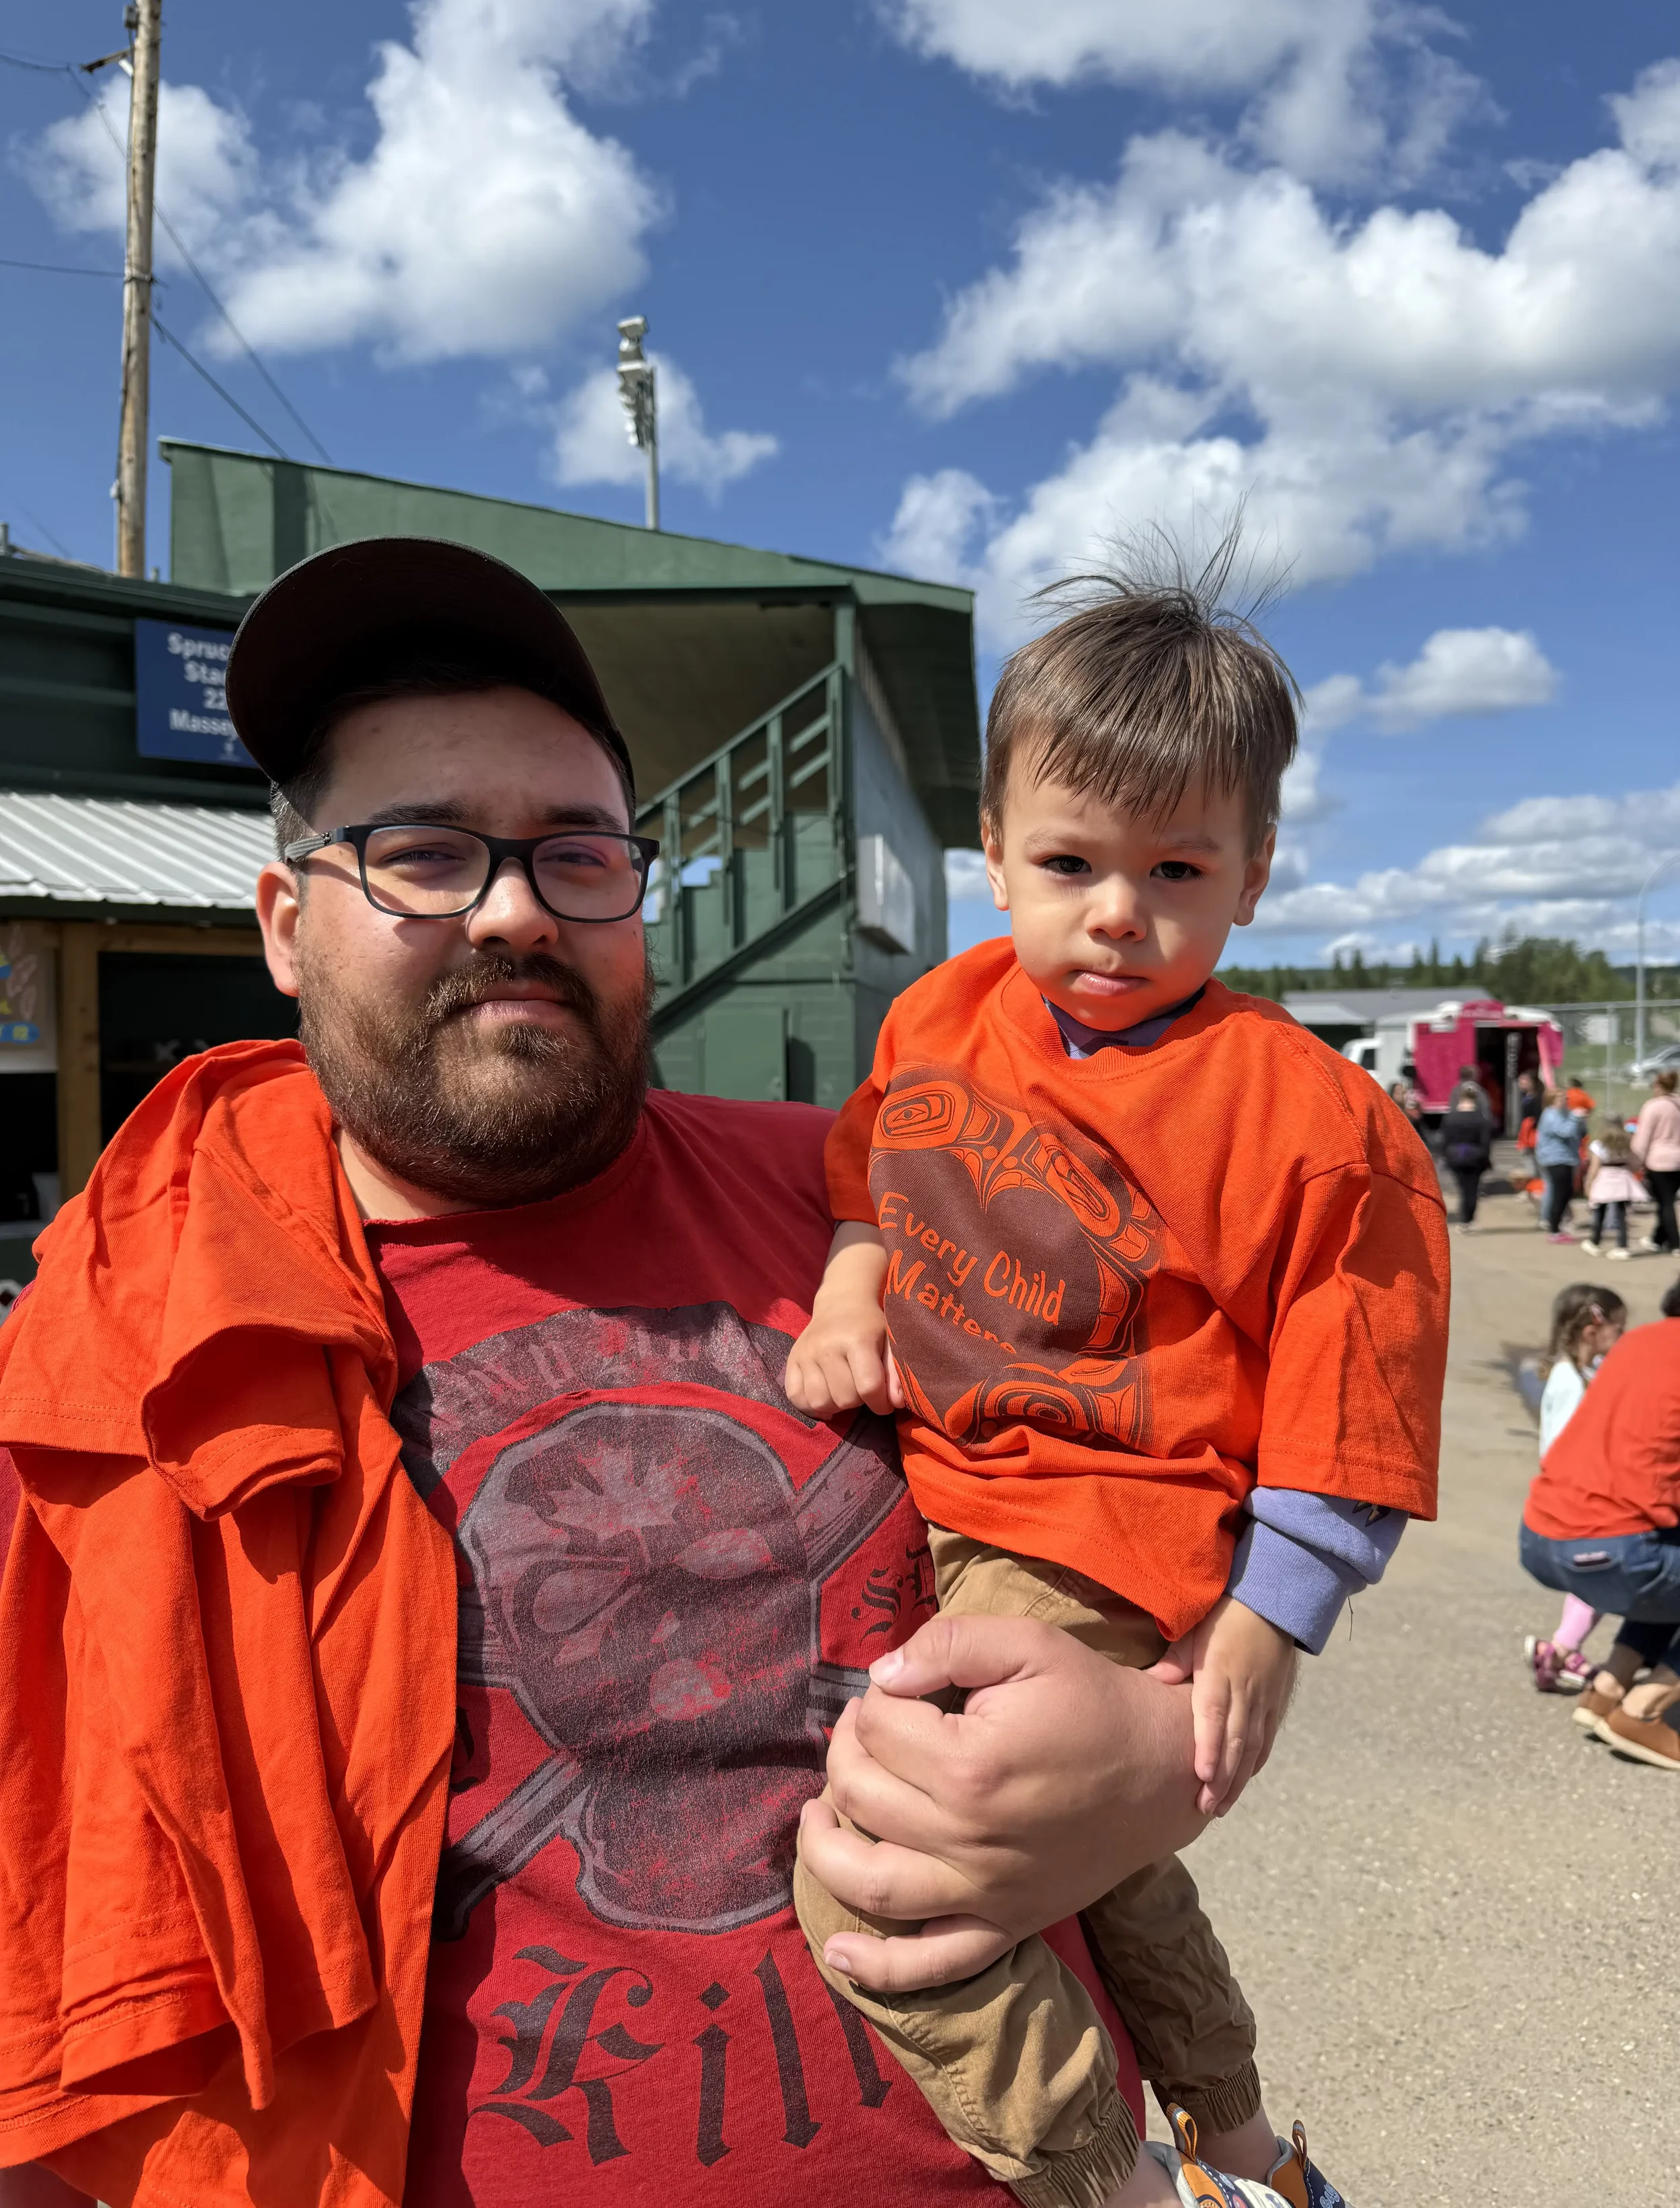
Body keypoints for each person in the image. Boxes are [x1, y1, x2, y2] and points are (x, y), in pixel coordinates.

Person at [0, 540, 1214, 2208]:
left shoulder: (872, 1195)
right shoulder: (136, 1340)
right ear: (286, 924)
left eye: (575, 854)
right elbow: (56, 1900)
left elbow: (1203, 1461)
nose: (512, 908)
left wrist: (1162, 1754)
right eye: (423, 851)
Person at [785, 563, 1449, 2208]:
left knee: (886, 1873)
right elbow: (868, 1170)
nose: (1116, 913)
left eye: (1176, 870)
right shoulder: (940, 1013)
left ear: (1253, 872)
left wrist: (1269, 1620)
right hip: (943, 1502)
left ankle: (1107, 2181)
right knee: (1106, 1863)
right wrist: (854, 1279)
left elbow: (1354, 1379)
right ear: (993, 849)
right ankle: (1244, 2147)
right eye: (1070, 862)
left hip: (1105, 1527)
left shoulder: (1303, 1113)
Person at [1522, 1275, 1680, 1768]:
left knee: (1669, 1554)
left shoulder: (1638, 1343)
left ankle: (1607, 1688)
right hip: (1612, 1550)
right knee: (1658, 1555)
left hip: (1541, 1533)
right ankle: (1643, 1710)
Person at [1522, 1283, 1626, 1691]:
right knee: (1600, 1576)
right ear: (1592, 1331)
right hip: (1581, 1496)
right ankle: (1559, 1651)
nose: (1622, 1337)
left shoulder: (1584, 1373)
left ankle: (1562, 1651)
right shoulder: (1569, 1380)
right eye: (1619, 1328)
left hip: (1584, 1494)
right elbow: (1565, 1445)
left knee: (1595, 1577)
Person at [1631, 1068, 1680, 1255]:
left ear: (1659, 1086)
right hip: (1678, 1160)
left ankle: (1675, 1243)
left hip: (1659, 1161)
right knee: (1666, 1201)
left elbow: (1643, 1138)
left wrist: (1635, 1161)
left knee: (1666, 1203)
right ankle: (1658, 1239)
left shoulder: (1653, 1107)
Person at [1579, 1115, 1642, 1259]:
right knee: (1621, 1214)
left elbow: (1594, 1167)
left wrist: (1588, 1183)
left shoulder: (1599, 1144)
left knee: (1600, 1211)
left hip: (1604, 1178)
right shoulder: (1627, 1143)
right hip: (1622, 1178)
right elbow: (1635, 1163)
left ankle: (1595, 1242)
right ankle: (1623, 1246)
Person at [1437, 1087, 1495, 1228]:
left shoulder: (1451, 1118)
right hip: (1476, 1157)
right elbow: (1486, 1141)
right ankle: (1469, 1218)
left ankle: (1464, 1218)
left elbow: (1445, 1141)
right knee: (1473, 1188)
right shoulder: (1481, 1118)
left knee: (1463, 1188)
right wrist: (1486, 1158)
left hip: (1456, 1156)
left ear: (1460, 1099)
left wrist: (1446, 1156)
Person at [1536, 1088, 1583, 1240]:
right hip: (1554, 1159)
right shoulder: (1550, 1115)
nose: (1565, 1101)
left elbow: (1577, 1133)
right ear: (1552, 1100)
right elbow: (1565, 1132)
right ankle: (1554, 1228)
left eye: (1566, 1098)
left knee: (1568, 1192)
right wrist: (1575, 1118)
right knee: (1559, 1193)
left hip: (1568, 1158)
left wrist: (1580, 1120)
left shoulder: (1566, 1113)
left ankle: (1558, 1225)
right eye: (1561, 1098)